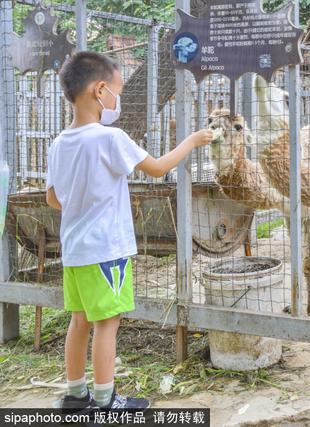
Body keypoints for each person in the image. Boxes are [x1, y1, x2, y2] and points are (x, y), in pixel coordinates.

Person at [45, 51, 213, 413]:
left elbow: (54, 199)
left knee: (79, 320)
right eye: (117, 93)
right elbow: (156, 168)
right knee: (108, 323)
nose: (117, 101)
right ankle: (106, 402)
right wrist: (192, 142)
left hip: (74, 250)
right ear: (100, 90)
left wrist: (85, 198)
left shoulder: (59, 143)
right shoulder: (111, 138)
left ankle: (76, 396)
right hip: (107, 249)